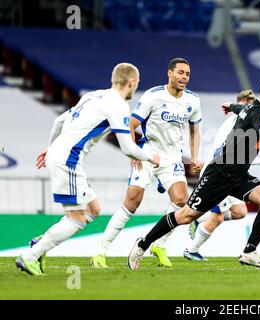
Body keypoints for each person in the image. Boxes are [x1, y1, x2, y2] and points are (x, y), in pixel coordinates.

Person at [128, 76, 260, 270]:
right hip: (219, 174)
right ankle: (143, 244)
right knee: (185, 216)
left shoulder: (250, 107)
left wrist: (231, 106)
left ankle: (249, 252)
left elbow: (240, 109)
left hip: (238, 175)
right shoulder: (259, 113)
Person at [16, 63, 160, 276]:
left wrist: (51, 148)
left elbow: (59, 121)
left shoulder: (93, 96)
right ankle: (30, 256)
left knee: (93, 209)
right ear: (131, 82)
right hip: (69, 160)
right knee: (76, 218)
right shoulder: (118, 105)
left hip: (62, 155)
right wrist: (151, 156)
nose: (135, 88)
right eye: (136, 84)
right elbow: (128, 147)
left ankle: (41, 242)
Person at [90, 58, 202, 268]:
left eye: (187, 74)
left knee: (181, 202)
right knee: (132, 202)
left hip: (172, 158)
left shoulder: (193, 101)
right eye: (180, 73)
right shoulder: (154, 96)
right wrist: (134, 154)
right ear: (169, 73)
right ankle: (101, 251)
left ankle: (159, 244)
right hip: (148, 153)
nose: (184, 77)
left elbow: (195, 130)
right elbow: (131, 124)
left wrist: (195, 156)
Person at [183, 90, 260, 261]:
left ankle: (198, 222)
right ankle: (192, 246)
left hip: (234, 174)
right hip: (219, 173)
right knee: (217, 217)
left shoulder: (249, 122)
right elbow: (224, 151)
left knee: (240, 211)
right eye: (250, 103)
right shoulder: (233, 123)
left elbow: (245, 149)